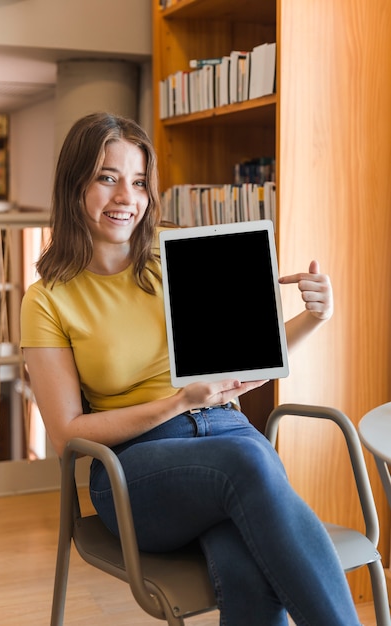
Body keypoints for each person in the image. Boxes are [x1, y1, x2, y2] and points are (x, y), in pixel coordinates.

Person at [20, 111, 361, 626]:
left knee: (247, 566)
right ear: (75, 184)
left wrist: (315, 318)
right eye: (106, 177)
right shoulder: (47, 300)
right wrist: (179, 401)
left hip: (227, 435)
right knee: (249, 464)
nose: (125, 198)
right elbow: (68, 436)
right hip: (135, 468)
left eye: (138, 182)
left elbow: (246, 363)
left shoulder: (176, 254)